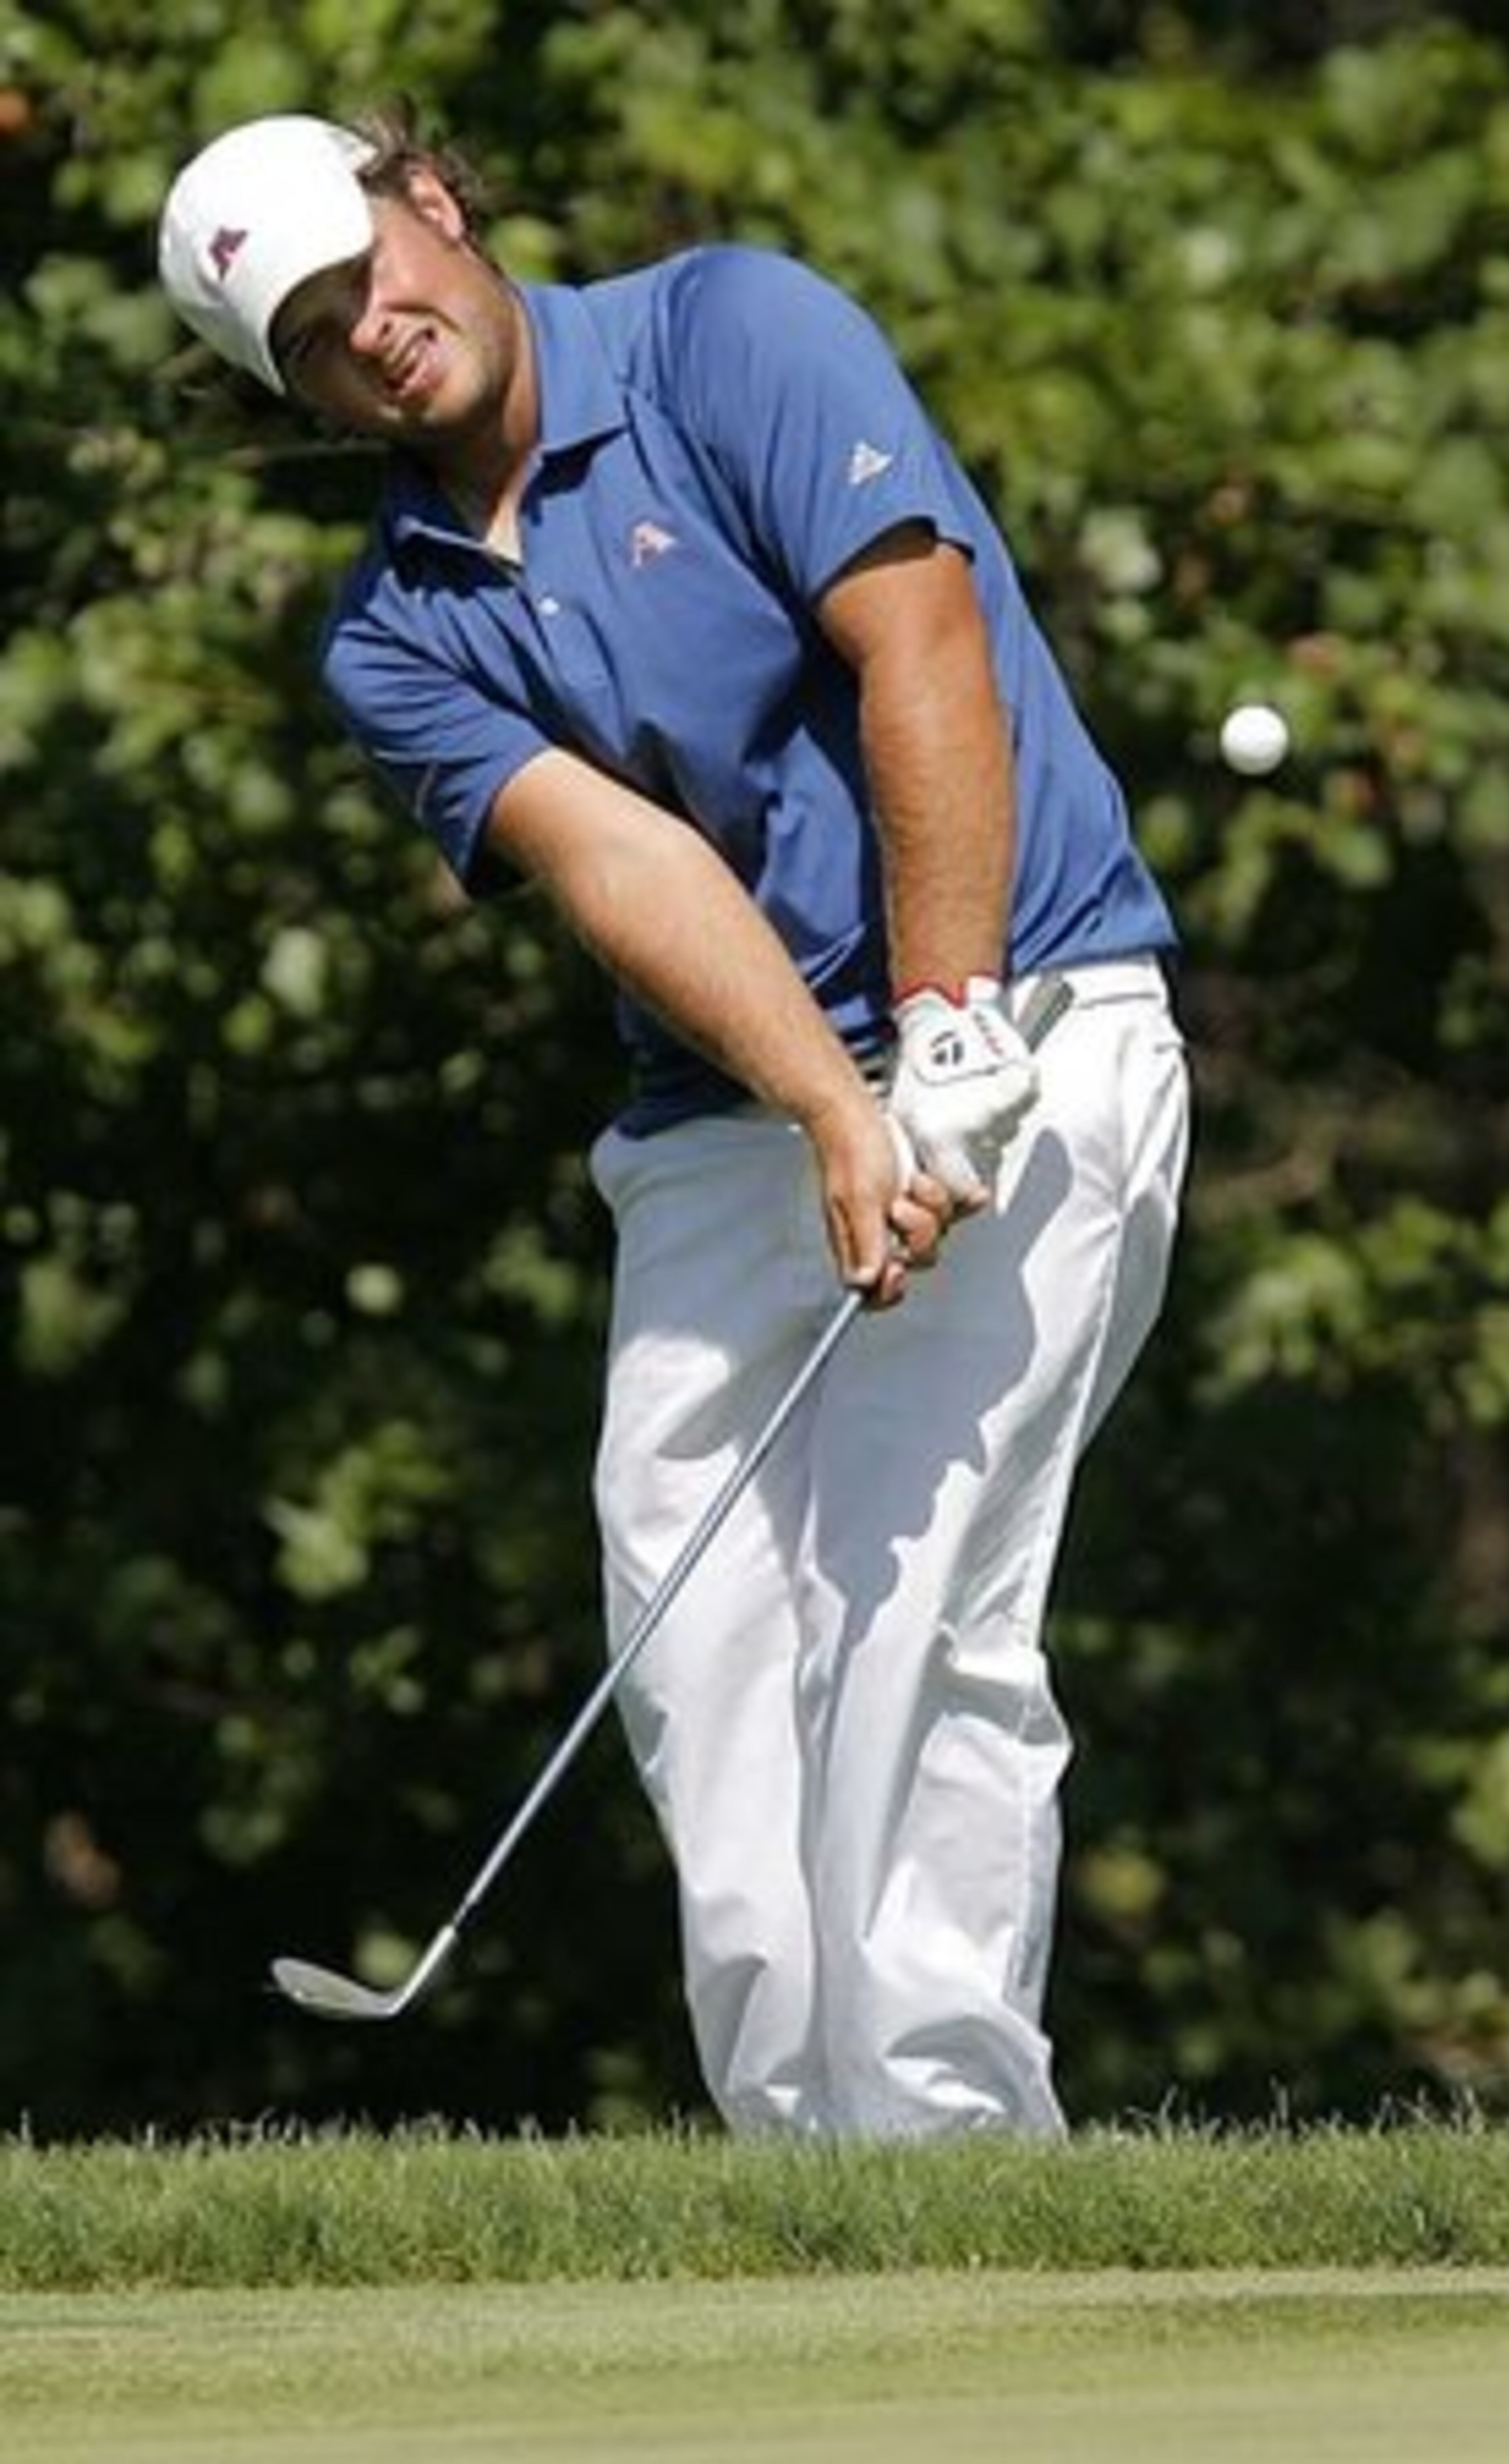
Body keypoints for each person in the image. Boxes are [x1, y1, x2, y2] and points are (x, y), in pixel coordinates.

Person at [158, 109, 1190, 2140]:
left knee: (916, 1588)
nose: (367, 333)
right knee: (690, 1621)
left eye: (361, 272)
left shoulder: (735, 332)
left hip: (1032, 1009)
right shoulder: (394, 633)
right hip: (740, 1102)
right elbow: (628, 864)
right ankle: (804, 2156)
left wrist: (947, 1026)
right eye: (303, 336)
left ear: (433, 200)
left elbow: (926, 647)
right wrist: (832, 1102)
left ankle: (947, 2148)